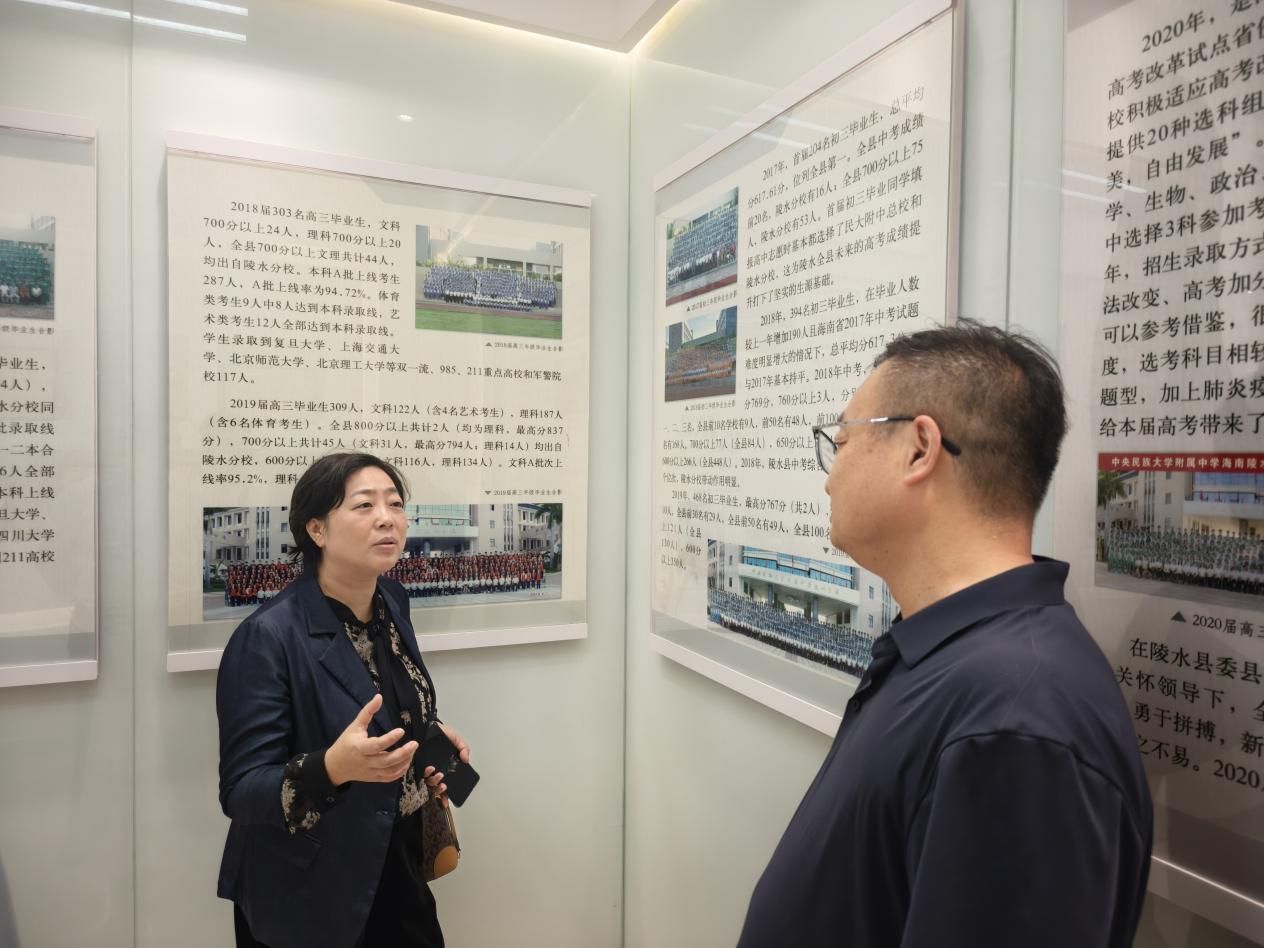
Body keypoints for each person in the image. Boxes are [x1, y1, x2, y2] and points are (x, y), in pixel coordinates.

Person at [737, 320, 1153, 947]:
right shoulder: (956, 658)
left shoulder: (1020, 724)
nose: (829, 475)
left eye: (841, 440)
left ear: (919, 449)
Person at [217, 452, 470, 948]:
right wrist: (332, 768)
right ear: (317, 529)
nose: (387, 518)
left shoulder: (392, 600)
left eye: (395, 504)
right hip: (310, 886)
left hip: (396, 862)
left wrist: (428, 729)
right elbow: (242, 791)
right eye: (364, 505)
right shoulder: (268, 637)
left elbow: (386, 698)